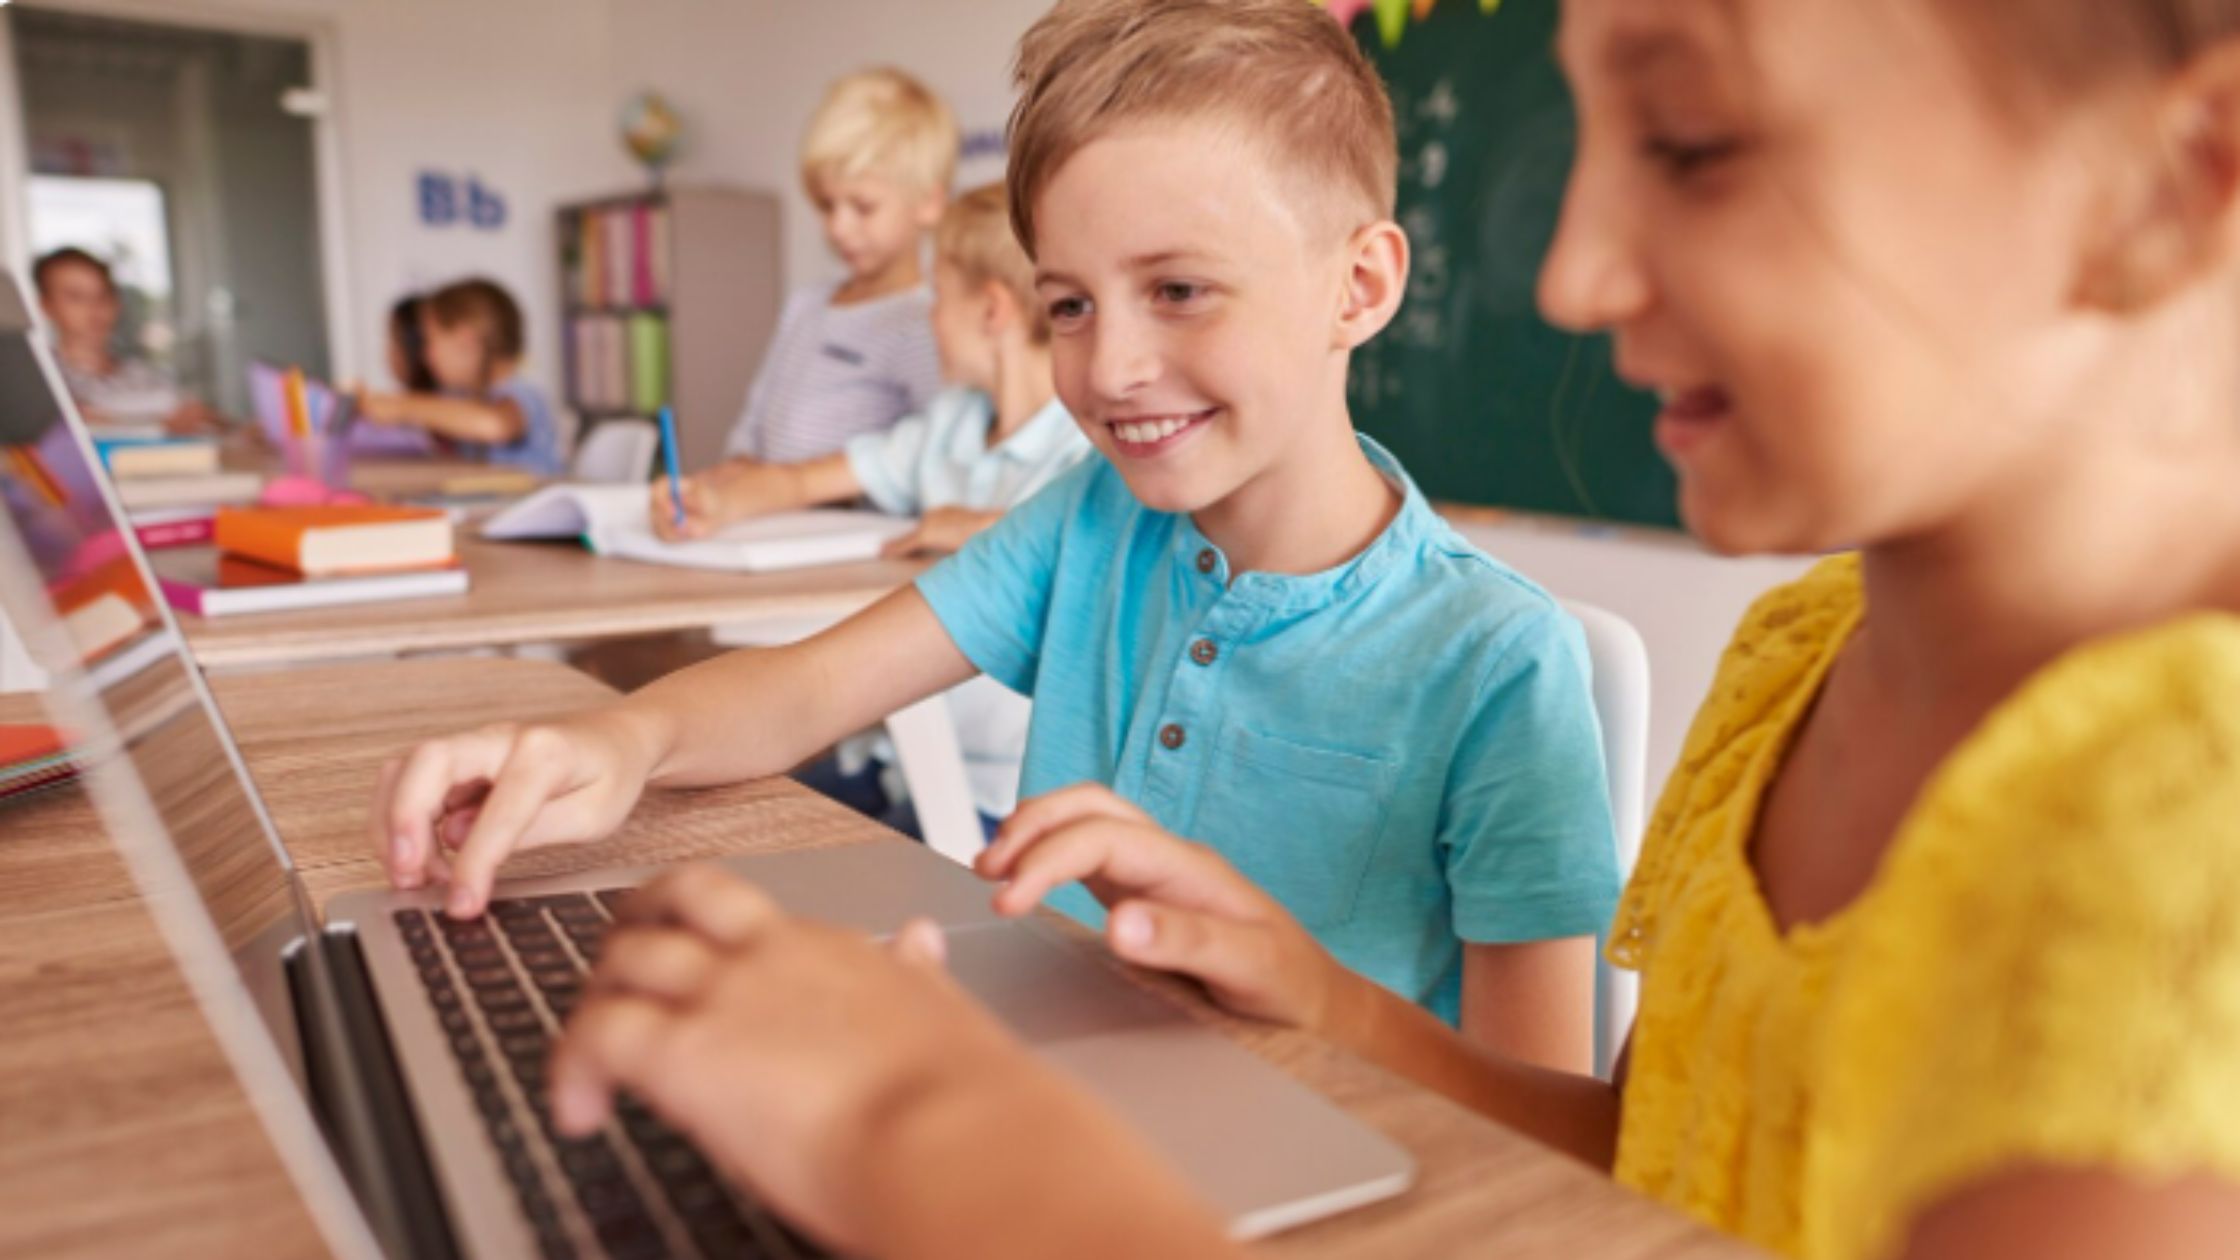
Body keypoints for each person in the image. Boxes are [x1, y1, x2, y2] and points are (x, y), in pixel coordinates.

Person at [537, 0, 2240, 1257]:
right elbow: (1640, 1165)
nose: (1572, 277)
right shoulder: (1796, 660)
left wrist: (925, 1132)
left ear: (2179, 177)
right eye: (1067, 303)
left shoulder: (2183, 877)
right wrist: (1321, 999)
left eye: (1694, 140)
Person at [369, 0, 1619, 1066]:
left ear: (1360, 286)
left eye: (1178, 290)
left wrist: (1315, 997)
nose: (1109, 368)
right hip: (1042, 1090)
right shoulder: (1091, 520)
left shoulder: (1496, 662)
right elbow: (809, 688)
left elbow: (1551, 1135)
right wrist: (617, 740)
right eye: (1066, 306)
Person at [658, 181, 1090, 837]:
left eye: (937, 296)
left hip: (997, 790)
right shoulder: (952, 421)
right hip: (896, 752)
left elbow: (1087, 543)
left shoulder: (1080, 442)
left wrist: (974, 527)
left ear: (992, 310)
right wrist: (721, 499)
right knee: (730, 833)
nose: (927, 317)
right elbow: (809, 479)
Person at [710, 67, 955, 470]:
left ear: (929, 204)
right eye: (826, 205)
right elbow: (752, 423)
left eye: (863, 207)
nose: (838, 227)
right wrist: (734, 475)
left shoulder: (925, 323)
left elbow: (927, 463)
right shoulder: (807, 303)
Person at [353, 277, 563, 476]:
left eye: (430, 341)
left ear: (466, 341)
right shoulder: (469, 399)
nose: (425, 356)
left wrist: (401, 407)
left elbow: (496, 425)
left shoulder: (523, 395)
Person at [32, 247, 219, 435]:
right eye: (76, 297)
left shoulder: (145, 375)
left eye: (104, 295)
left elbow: (212, 421)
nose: (95, 308)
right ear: (46, 306)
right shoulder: (40, 379)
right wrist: (159, 425)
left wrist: (204, 419)